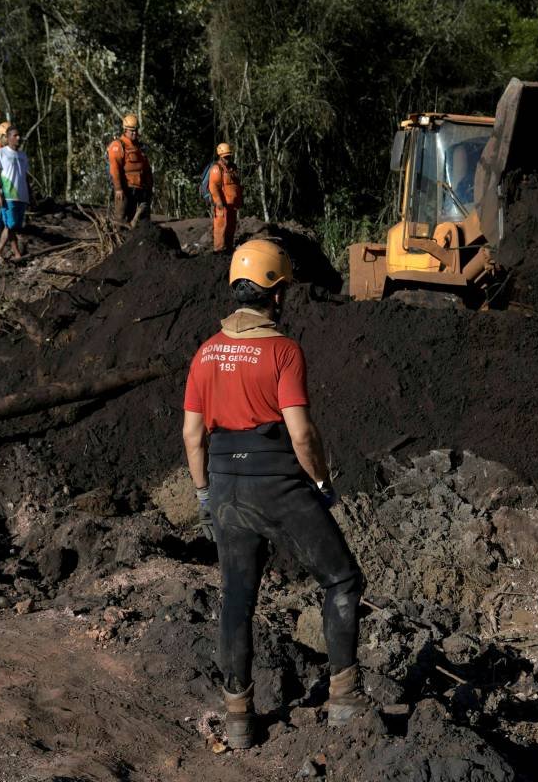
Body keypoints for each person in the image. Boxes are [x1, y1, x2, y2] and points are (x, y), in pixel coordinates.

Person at [181, 240, 369, 749]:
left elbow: (193, 436)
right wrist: (324, 483)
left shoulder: (206, 352)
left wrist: (203, 495)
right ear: (277, 292)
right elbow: (302, 435)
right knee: (342, 579)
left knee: (237, 597)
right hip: (277, 483)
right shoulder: (282, 351)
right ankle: (345, 700)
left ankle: (239, 718)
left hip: (223, 485)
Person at [0, 126, 30, 263]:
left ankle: (17, 254)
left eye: (19, 135)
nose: (18, 138)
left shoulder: (23, 155)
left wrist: (31, 196)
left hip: (22, 195)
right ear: (7, 138)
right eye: (15, 135)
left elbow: (25, 177)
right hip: (8, 195)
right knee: (10, 225)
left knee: (15, 226)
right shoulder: (0, 153)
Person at [106, 113, 152, 223]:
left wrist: (149, 187)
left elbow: (146, 168)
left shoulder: (139, 147)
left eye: (136, 130)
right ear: (125, 130)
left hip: (139, 189)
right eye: (132, 130)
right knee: (120, 219)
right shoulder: (117, 146)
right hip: (124, 189)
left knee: (138, 219)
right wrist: (118, 189)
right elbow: (114, 169)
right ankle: (118, 238)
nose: (134, 133)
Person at [208, 142, 243, 253]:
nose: (227, 158)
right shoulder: (216, 169)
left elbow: (236, 185)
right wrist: (218, 202)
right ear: (220, 156)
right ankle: (218, 249)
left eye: (229, 156)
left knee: (231, 226)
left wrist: (240, 199)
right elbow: (213, 187)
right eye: (225, 157)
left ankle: (228, 247)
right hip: (222, 205)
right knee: (220, 226)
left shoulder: (233, 168)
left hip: (232, 204)